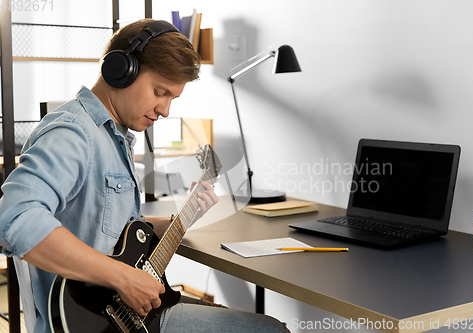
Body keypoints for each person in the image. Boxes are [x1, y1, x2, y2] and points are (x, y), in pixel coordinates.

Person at [0, 19, 289, 333]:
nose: (164, 110)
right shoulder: (74, 133)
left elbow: (110, 229)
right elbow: (15, 217)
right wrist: (122, 277)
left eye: (171, 99)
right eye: (159, 92)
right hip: (93, 321)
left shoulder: (114, 136)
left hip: (122, 316)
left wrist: (178, 221)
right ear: (121, 70)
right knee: (272, 329)